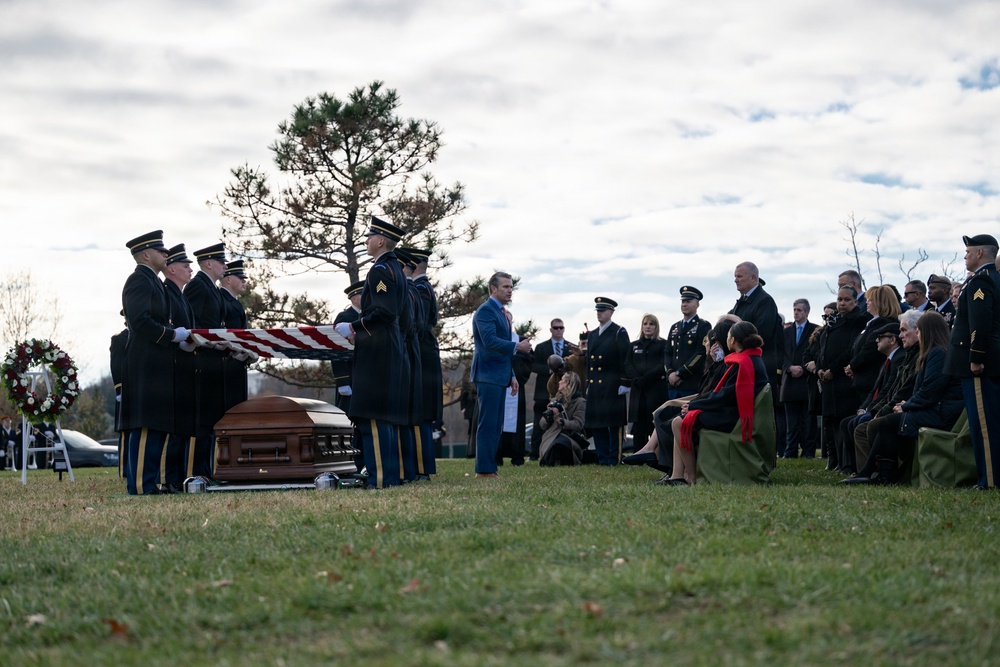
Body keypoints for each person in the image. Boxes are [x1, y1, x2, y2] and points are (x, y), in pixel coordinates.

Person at [845, 311, 963, 484]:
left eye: (920, 331)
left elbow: (929, 391)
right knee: (890, 421)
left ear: (927, 331)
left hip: (943, 413)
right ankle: (876, 473)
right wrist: (907, 404)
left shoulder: (938, 353)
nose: (918, 335)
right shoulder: (935, 352)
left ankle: (880, 474)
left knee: (889, 422)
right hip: (937, 409)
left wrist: (906, 406)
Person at [334, 216, 409, 489]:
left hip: (377, 351)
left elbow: (384, 312)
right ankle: (387, 477)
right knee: (383, 419)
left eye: (369, 237)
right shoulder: (394, 269)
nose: (365, 241)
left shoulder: (379, 272)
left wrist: (353, 326)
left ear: (380, 241)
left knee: (374, 419)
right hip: (389, 348)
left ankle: (379, 479)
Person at [119, 230, 189, 495]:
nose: (166, 255)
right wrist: (171, 335)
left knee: (157, 424)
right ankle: (140, 485)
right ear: (146, 255)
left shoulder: (155, 283)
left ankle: (149, 481)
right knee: (147, 424)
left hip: (157, 361)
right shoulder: (139, 280)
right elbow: (139, 321)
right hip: (145, 362)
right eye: (161, 252)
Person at [661, 321, 769, 485]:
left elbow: (726, 396)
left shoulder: (744, 363)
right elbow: (720, 393)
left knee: (679, 422)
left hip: (734, 418)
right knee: (681, 419)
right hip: (734, 413)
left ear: (732, 340)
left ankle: (690, 476)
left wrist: (695, 405)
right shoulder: (750, 358)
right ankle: (678, 475)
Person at [945, 234, 1000, 489]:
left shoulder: (982, 282)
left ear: (980, 253)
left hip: (980, 363)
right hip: (982, 361)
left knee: (984, 424)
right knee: (984, 421)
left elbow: (980, 322)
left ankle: (989, 479)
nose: (965, 255)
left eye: (968, 251)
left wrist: (976, 357)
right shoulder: (986, 279)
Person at [469, 271, 533, 477]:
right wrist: (518, 346)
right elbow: (490, 342)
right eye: (505, 287)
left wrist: (512, 376)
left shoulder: (503, 313)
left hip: (499, 375)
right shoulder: (486, 311)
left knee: (496, 425)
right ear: (493, 289)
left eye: (511, 287)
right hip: (487, 376)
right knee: (488, 424)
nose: (510, 290)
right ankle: (484, 470)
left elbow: (503, 352)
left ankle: (490, 468)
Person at [184, 243, 229, 479]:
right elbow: (191, 321)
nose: (225, 266)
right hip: (202, 360)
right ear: (209, 263)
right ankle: (194, 471)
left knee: (212, 420)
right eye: (221, 262)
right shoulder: (198, 286)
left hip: (214, 359)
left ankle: (207, 470)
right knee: (201, 422)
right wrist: (210, 341)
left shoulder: (211, 287)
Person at [730, 262, 785, 454]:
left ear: (753, 278)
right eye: (735, 276)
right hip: (742, 366)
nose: (735, 279)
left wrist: (738, 342)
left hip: (758, 366)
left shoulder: (765, 302)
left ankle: (763, 453)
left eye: (740, 276)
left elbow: (762, 334)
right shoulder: (741, 302)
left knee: (760, 414)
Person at [814, 286, 870, 471]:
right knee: (830, 421)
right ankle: (834, 459)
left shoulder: (858, 321)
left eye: (847, 300)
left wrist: (834, 368)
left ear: (855, 301)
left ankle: (846, 462)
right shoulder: (834, 321)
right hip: (828, 379)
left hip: (844, 379)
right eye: (840, 300)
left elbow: (851, 349)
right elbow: (822, 347)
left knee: (843, 419)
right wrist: (820, 368)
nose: (842, 303)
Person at [161, 244, 197, 494]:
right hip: (170, 367)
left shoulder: (181, 295)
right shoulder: (167, 293)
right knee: (171, 429)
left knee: (182, 427)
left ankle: (177, 476)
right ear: (171, 269)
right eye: (186, 266)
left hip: (185, 367)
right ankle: (167, 478)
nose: (190, 269)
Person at [409, 247, 442, 478]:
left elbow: (418, 323)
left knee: (420, 414)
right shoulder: (425, 286)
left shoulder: (419, 288)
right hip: (426, 349)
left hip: (422, 351)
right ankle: (423, 468)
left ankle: (422, 469)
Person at [584, 296, 630, 465]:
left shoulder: (619, 332)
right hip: (596, 384)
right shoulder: (594, 334)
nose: (599, 314)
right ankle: (603, 458)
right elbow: (589, 361)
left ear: (611, 312)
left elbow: (626, 358)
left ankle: (614, 458)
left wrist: (625, 382)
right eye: (598, 311)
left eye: (603, 311)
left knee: (614, 423)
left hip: (613, 383)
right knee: (598, 423)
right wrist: (588, 382)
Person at [624, 313, 669, 453]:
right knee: (638, 424)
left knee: (654, 421)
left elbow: (663, 364)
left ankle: (657, 453)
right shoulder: (634, 346)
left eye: (651, 324)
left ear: (656, 327)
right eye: (645, 324)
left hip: (655, 389)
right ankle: (638, 453)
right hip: (638, 390)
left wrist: (647, 378)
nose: (648, 327)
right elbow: (627, 365)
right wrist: (636, 378)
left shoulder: (662, 344)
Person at [780, 299, 819, 458]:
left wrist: (803, 368)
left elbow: (815, 353)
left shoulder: (815, 330)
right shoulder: (786, 332)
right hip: (789, 382)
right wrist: (789, 367)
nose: (796, 313)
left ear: (807, 312)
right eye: (794, 309)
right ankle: (790, 451)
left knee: (808, 420)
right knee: (791, 421)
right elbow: (782, 354)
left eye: (799, 310)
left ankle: (808, 451)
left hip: (807, 380)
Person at [530, 319, 569, 460]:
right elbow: (533, 366)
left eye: (561, 327)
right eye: (556, 328)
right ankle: (534, 454)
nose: (558, 330)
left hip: (564, 393)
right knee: (539, 424)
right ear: (551, 329)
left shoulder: (570, 347)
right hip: (542, 392)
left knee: (562, 422)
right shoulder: (541, 348)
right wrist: (550, 369)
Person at [663, 287, 712, 400]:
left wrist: (680, 373)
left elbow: (700, 353)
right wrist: (670, 373)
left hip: (691, 383)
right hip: (673, 384)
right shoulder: (675, 327)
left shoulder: (703, 325)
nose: (684, 304)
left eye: (688, 301)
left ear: (697, 304)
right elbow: (667, 352)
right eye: (683, 301)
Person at [538, 371, 587, 466]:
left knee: (560, 444)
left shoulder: (580, 402)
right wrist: (549, 416)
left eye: (562, 380)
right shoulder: (554, 400)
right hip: (551, 436)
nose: (559, 382)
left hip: (569, 436)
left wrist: (561, 420)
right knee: (554, 445)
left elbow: (578, 424)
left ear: (568, 383)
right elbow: (542, 425)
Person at [220, 259, 250, 411]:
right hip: (227, 365)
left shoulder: (234, 302)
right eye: (240, 277)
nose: (244, 281)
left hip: (238, 364)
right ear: (229, 279)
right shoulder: (222, 300)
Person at [332, 281, 364, 415]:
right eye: (364, 295)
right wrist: (342, 380)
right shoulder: (344, 317)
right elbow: (336, 349)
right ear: (354, 298)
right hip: (350, 374)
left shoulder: (368, 316)